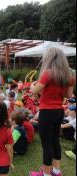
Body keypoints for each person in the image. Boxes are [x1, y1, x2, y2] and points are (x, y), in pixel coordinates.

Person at [30, 48, 75, 176]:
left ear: (49, 58)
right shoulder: (69, 76)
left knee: (46, 145)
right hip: (59, 111)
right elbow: (69, 94)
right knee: (55, 142)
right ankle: (56, 171)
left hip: (46, 112)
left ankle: (46, 174)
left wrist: (32, 84)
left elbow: (34, 90)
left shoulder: (48, 74)